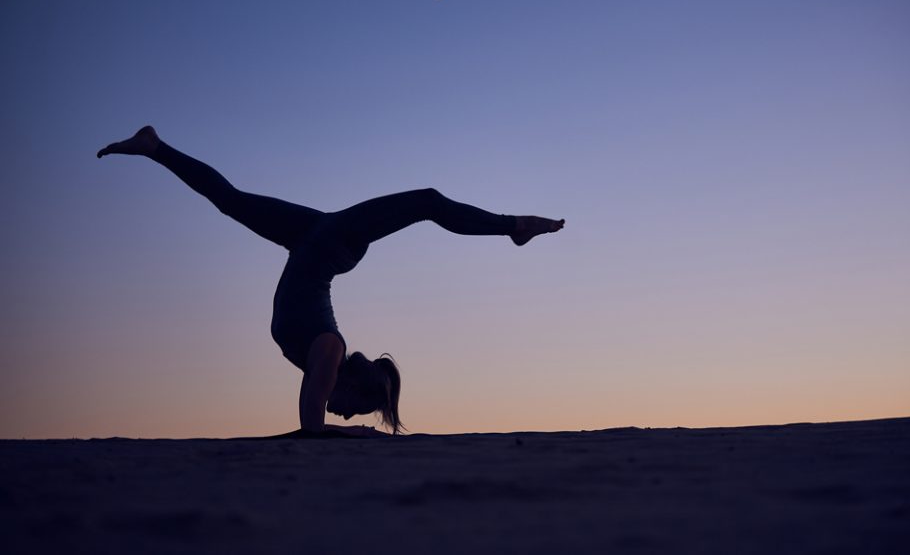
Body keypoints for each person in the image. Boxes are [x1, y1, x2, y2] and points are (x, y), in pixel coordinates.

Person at [97, 126, 564, 437]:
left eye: (350, 416)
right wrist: (349, 433)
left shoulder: (321, 357)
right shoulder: (328, 352)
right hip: (336, 241)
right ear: (353, 386)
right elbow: (312, 426)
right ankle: (514, 226)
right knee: (427, 200)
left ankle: (154, 146)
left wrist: (338, 429)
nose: (341, 412)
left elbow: (311, 423)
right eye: (353, 408)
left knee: (230, 201)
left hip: (308, 240)